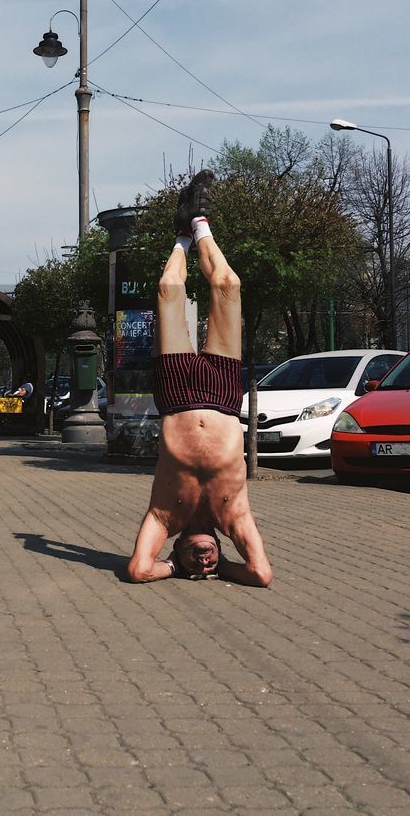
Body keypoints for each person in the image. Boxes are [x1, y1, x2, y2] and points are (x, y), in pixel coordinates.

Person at [125, 170, 273, 588]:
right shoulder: (234, 516)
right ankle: (200, 220)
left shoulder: (165, 517)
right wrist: (222, 569)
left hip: (175, 395)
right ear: (222, 552)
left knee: (169, 288)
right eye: (209, 562)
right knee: (228, 284)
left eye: (198, 563)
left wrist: (176, 567)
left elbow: (138, 570)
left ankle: (181, 235)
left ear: (176, 551)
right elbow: (261, 574)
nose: (204, 563)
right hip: (224, 396)